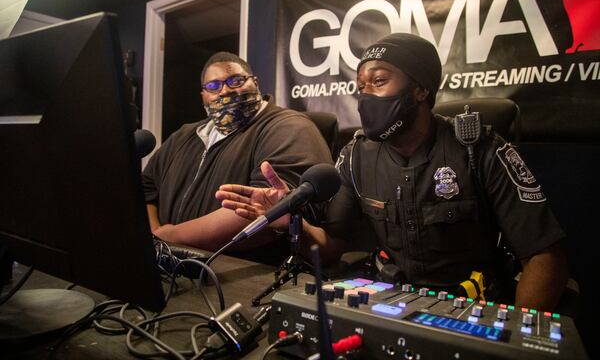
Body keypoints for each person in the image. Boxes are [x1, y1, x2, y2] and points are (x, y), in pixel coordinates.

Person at [216, 33, 569, 311]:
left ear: (420, 89)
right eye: (361, 86)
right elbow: (330, 250)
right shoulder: (355, 157)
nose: (365, 95)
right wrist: (289, 221)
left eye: (379, 81)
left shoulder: (480, 148)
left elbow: (543, 256)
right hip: (391, 305)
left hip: (474, 307)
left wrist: (516, 340)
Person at [142, 51, 333, 261]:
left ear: (255, 83)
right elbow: (146, 188)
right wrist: (156, 238)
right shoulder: (183, 136)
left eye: (235, 81)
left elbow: (265, 211)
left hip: (241, 272)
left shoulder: (289, 128)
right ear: (203, 95)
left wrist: (168, 237)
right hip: (169, 264)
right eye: (213, 86)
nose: (225, 91)